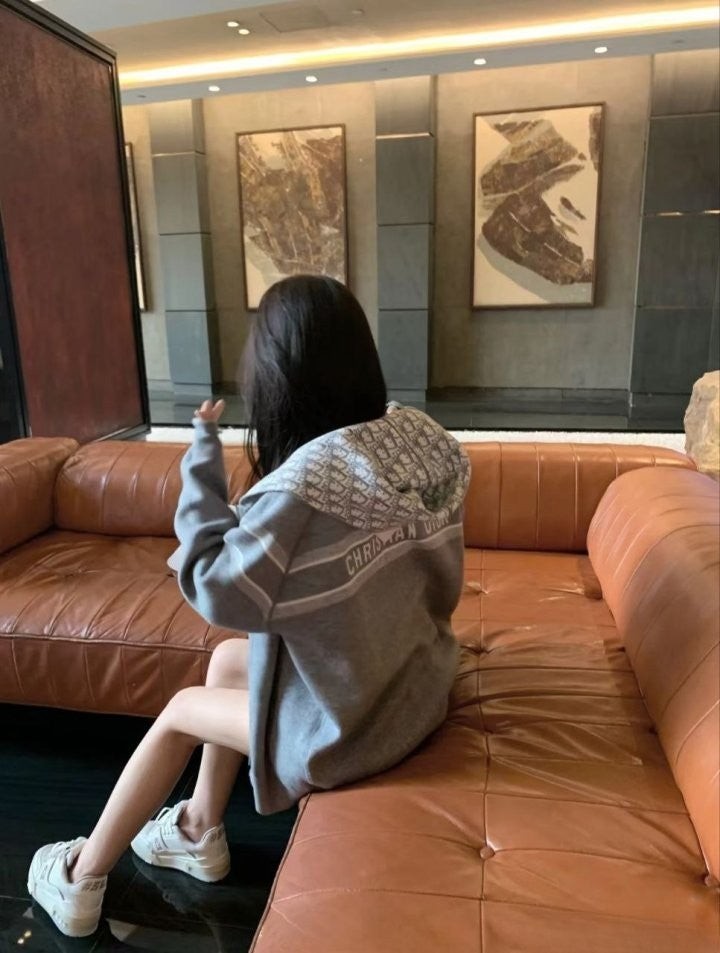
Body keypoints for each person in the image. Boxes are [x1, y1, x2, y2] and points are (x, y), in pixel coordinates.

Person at [27, 275, 470, 938]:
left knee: (179, 713)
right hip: (413, 688)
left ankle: (80, 879)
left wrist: (202, 455)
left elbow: (211, 585)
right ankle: (199, 827)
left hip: (352, 733)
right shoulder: (416, 442)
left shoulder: (304, 490)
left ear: (278, 376)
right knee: (230, 663)